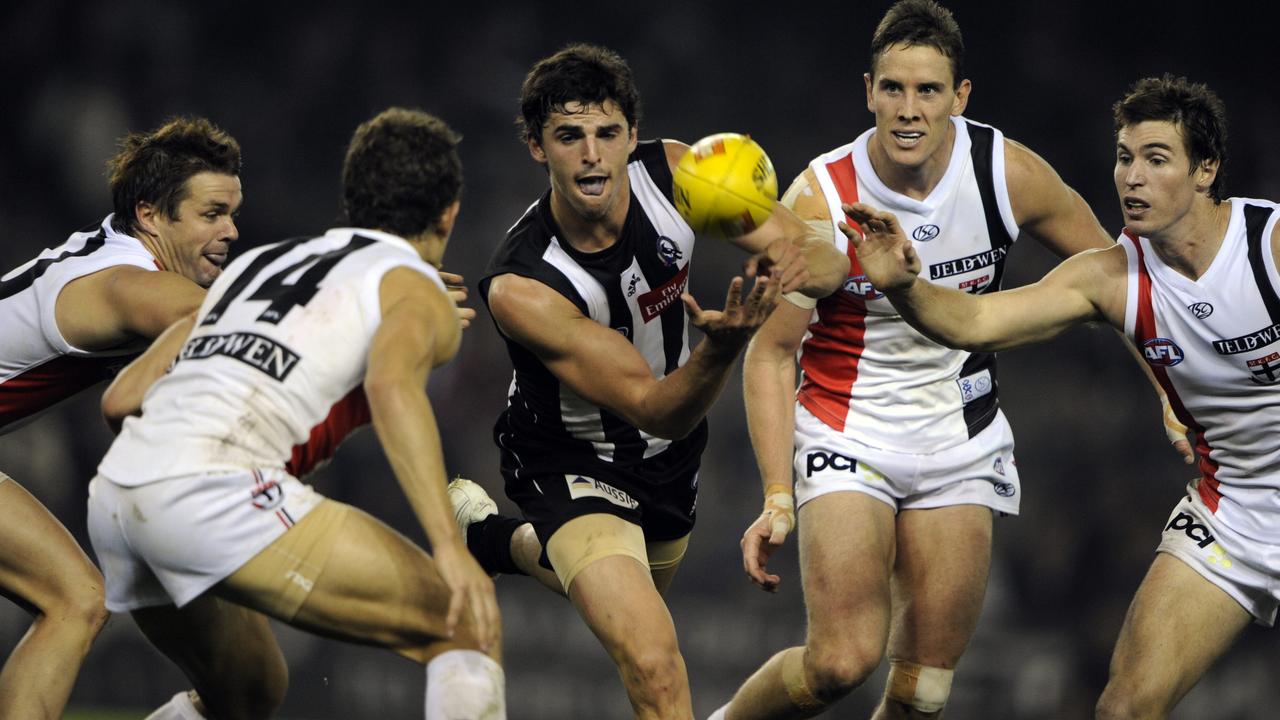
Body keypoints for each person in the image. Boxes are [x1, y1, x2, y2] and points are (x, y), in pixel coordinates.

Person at [706, 2, 1174, 718]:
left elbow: (1120, 281)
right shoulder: (821, 196)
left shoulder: (1006, 174)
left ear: (960, 97)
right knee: (840, 661)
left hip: (961, 437)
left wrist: (1167, 392)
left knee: (924, 689)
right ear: (868, 91)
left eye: (928, 91)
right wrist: (776, 495)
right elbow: (770, 356)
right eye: (893, 88)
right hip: (847, 430)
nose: (908, 109)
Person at [846, 73, 1278, 720]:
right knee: (1123, 708)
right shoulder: (1109, 277)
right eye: (1125, 157)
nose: (1132, 177)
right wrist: (906, 286)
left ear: (1206, 170)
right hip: (1237, 512)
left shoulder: (1267, 246)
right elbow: (973, 323)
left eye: (1156, 159)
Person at [448, 43, 848, 720]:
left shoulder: (678, 172)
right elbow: (653, 406)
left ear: (634, 136)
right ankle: (524, 533)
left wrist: (792, 260)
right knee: (656, 665)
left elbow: (827, 263)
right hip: (568, 461)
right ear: (535, 147)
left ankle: (499, 543)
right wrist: (721, 350)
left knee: (622, 583)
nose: (592, 156)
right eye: (568, 137)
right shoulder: (523, 286)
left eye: (608, 134)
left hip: (669, 465)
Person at [86, 107, 505, 720]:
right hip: (213, 491)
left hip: (116, 502)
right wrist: (450, 548)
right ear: (449, 213)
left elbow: (120, 401)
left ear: (356, 203)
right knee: (463, 620)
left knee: (249, 693)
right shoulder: (414, 287)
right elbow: (393, 387)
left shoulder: (255, 267)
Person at [0, 116, 240, 720]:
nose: (231, 230)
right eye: (211, 214)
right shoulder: (123, 285)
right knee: (73, 599)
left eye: (232, 213)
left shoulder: (115, 255)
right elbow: (227, 320)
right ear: (151, 215)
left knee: (75, 598)